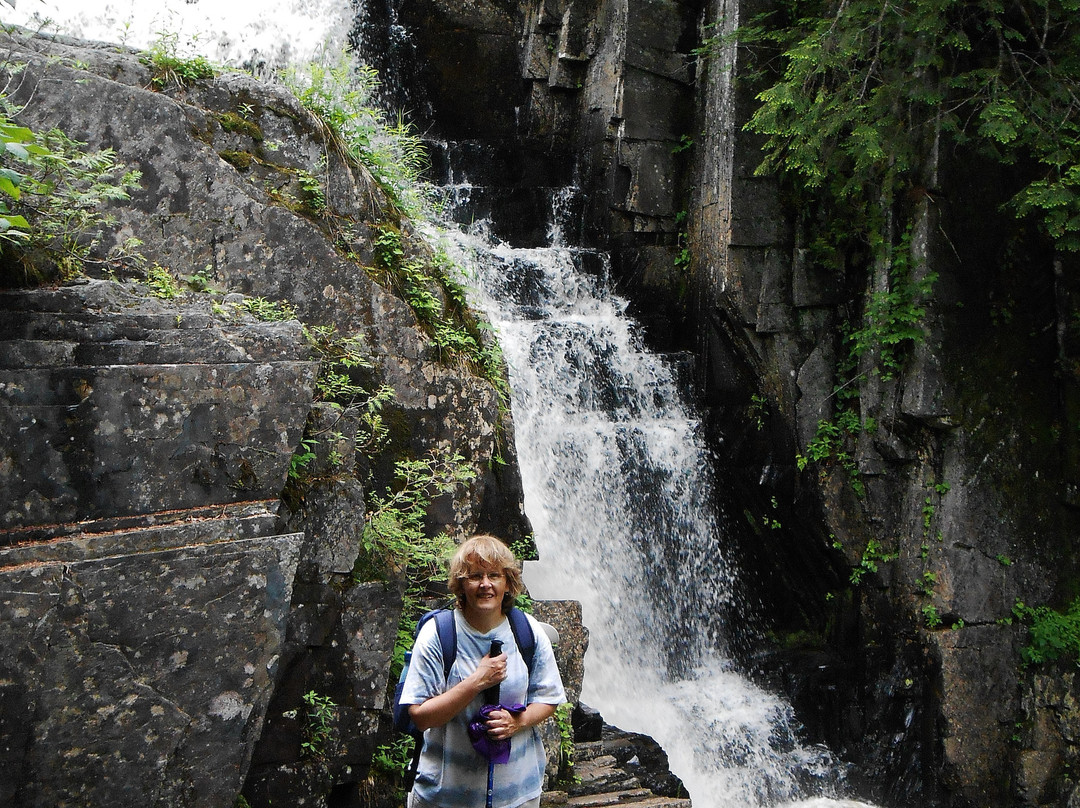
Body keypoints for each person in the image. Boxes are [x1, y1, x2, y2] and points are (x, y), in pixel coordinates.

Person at [399, 535, 566, 808]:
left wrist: (517, 722)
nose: (485, 584)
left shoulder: (529, 632)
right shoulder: (438, 635)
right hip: (444, 798)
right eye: (475, 575)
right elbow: (420, 717)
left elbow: (548, 698)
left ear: (508, 583)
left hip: (517, 796)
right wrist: (477, 681)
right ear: (461, 585)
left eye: (494, 575)